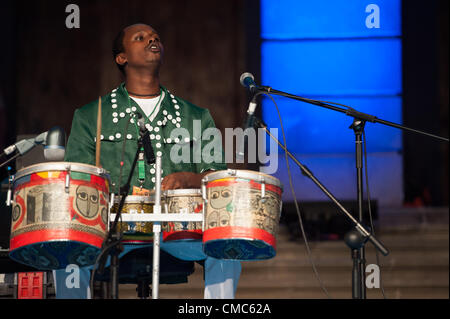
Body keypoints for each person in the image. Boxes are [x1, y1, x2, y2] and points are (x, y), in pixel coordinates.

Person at [53, 23, 241, 299]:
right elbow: (78, 182)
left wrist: (190, 179)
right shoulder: (91, 116)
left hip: (178, 230)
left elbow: (219, 180)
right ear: (122, 58)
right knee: (66, 250)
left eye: (155, 37)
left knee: (227, 247)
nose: (152, 39)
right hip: (111, 231)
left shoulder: (196, 116)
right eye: (140, 38)